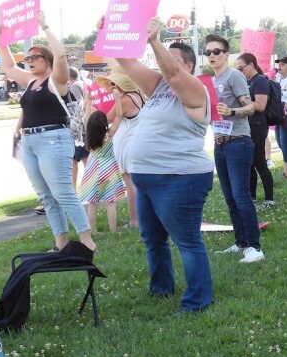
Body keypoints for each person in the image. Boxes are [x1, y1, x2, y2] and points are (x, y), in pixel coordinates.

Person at [105, 17, 214, 313]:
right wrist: (110, 33)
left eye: (174, 60)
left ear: (189, 66)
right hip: (147, 179)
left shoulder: (194, 90)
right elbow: (127, 63)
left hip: (180, 178)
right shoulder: (158, 88)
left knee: (187, 241)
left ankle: (198, 300)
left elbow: (174, 73)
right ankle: (161, 287)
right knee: (152, 238)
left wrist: (155, 41)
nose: (163, 66)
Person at [0, 11, 96, 252]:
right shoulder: (31, 81)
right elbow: (9, 67)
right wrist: (2, 40)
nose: (29, 60)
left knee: (63, 192)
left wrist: (46, 27)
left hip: (53, 139)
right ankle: (61, 244)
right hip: (30, 143)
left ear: (47, 60)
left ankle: (86, 241)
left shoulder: (57, 80)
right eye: (28, 57)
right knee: (45, 196)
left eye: (35, 57)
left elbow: (61, 54)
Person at [205, 34, 264, 264]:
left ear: (226, 54)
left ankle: (254, 247)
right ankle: (240, 242)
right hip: (220, 143)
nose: (212, 55)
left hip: (238, 141)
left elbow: (251, 107)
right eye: (209, 52)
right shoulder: (210, 80)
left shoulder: (235, 76)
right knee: (230, 198)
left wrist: (232, 112)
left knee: (241, 197)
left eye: (216, 51)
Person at [99, 65, 144, 228]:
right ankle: (140, 219)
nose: (112, 87)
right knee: (136, 183)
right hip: (135, 142)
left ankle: (135, 220)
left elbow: (106, 118)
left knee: (130, 184)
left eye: (113, 83)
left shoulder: (125, 100)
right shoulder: (138, 94)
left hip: (127, 145)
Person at [235, 52, 275, 209]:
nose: (239, 71)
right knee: (249, 163)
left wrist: (240, 101)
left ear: (251, 65)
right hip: (247, 124)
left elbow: (260, 105)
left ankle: (269, 199)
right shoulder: (247, 81)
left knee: (259, 162)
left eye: (241, 67)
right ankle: (251, 196)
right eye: (237, 68)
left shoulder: (260, 81)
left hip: (257, 125)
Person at [78, 110, 126, 233]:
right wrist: (116, 97)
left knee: (92, 202)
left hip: (93, 168)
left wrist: (88, 101)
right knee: (111, 202)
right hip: (108, 169)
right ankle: (113, 231)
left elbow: (87, 117)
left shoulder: (89, 135)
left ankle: (93, 231)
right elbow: (119, 115)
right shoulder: (109, 135)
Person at [67, 67, 89, 189]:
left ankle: (92, 188)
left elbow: (76, 107)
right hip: (82, 128)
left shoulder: (74, 87)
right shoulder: (83, 84)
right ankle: (73, 189)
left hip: (80, 130)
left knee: (84, 159)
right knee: (75, 159)